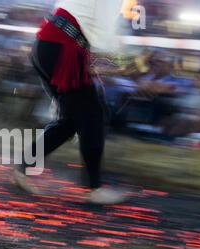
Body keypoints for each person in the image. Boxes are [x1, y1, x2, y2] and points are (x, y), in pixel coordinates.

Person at [13, 0, 127, 204]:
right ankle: (95, 189)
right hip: (63, 49)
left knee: (71, 121)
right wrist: (124, 59)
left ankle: (22, 169)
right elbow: (103, 36)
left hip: (50, 44)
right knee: (93, 115)